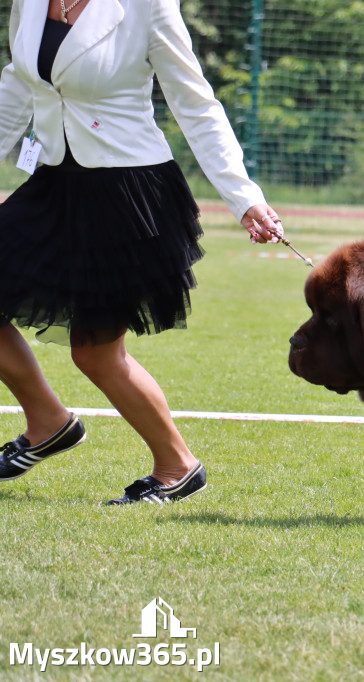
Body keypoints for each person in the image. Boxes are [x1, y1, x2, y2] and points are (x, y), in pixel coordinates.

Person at [0, 0, 284, 504]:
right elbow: (19, 85)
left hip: (127, 194)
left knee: (95, 353)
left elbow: (195, 102)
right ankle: (48, 421)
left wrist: (245, 198)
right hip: (53, 185)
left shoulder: (147, 6)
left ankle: (178, 465)